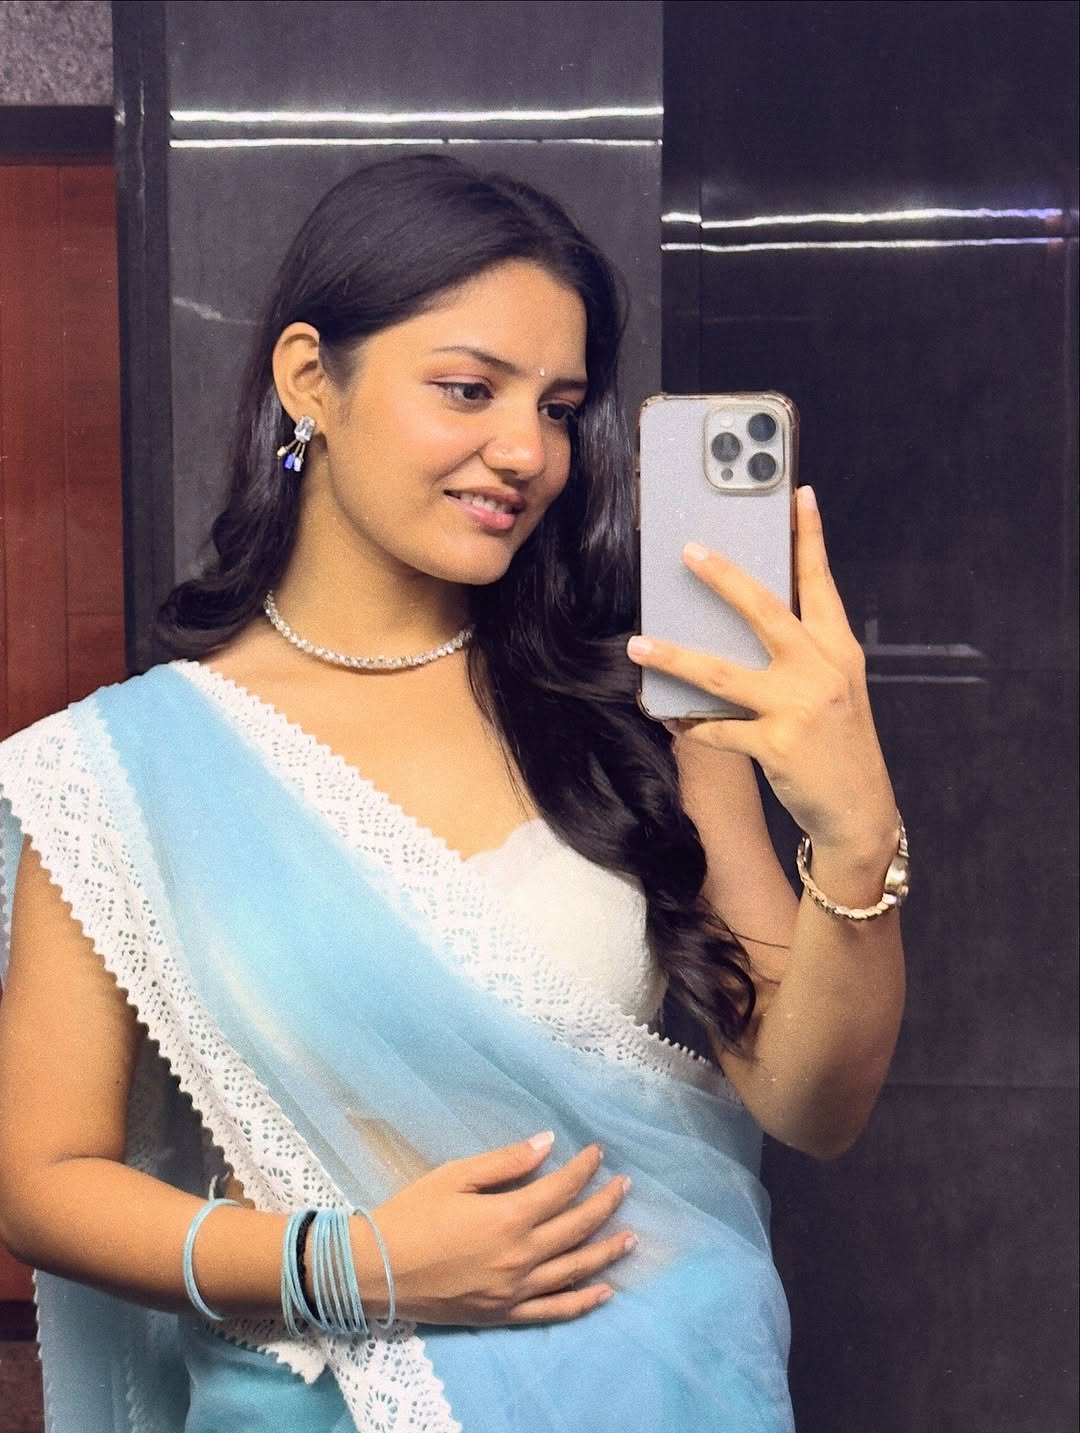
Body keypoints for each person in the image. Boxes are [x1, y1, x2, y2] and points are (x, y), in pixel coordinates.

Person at [0, 154, 906, 1433]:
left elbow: (813, 1103)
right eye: (469, 389)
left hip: (660, 1384)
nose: (527, 451)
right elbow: (41, 1177)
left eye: (559, 406)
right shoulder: (126, 767)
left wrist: (857, 832)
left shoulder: (632, 714)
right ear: (310, 378)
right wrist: (353, 1266)